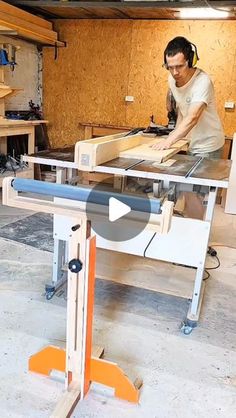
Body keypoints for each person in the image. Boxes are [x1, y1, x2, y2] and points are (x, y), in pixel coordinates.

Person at [152, 36, 225, 158]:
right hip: (191, 143)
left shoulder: (202, 82)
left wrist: (168, 141)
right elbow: (182, 109)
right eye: (170, 67)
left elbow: (192, 117)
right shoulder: (172, 80)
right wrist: (175, 136)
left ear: (190, 61)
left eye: (179, 66)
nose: (175, 72)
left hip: (209, 146)